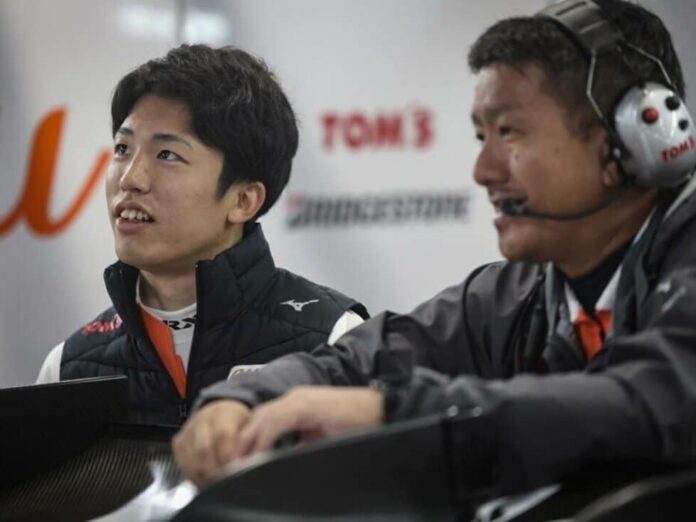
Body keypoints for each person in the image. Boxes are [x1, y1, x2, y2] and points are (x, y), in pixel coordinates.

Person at [173, 0, 696, 497]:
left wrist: (390, 413)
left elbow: (650, 401)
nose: (483, 171)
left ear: (633, 135)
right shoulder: (513, 296)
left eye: (510, 132)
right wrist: (243, 398)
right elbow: (364, 360)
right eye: (482, 137)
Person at [35, 44, 368, 426]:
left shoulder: (334, 341)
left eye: (167, 155)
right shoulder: (67, 367)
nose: (130, 178)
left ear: (243, 200)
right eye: (123, 148)